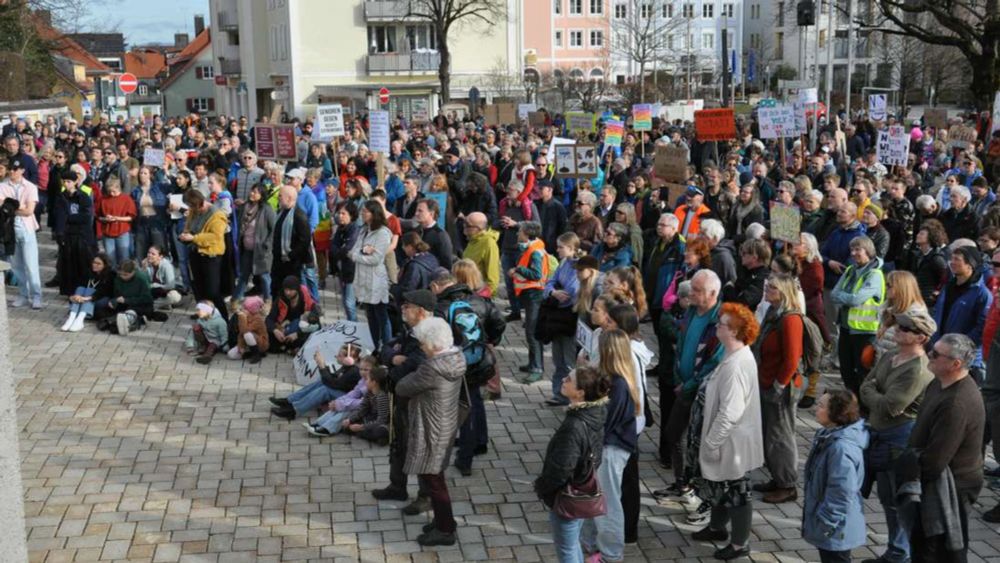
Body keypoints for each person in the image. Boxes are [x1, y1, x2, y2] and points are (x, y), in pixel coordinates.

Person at [685, 302, 763, 561]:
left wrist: (711, 443)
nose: (717, 325)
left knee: (737, 491)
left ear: (734, 332)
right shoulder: (732, 355)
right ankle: (717, 528)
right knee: (718, 485)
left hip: (730, 443)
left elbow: (730, 412)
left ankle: (740, 544)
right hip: (723, 441)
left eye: (722, 324)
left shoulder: (736, 365)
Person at [859, 311, 936, 563]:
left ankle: (901, 554)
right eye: (898, 324)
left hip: (899, 440)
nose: (897, 329)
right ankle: (896, 550)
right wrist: (875, 394)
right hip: (879, 434)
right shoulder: (892, 355)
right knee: (886, 498)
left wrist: (874, 393)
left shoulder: (918, 370)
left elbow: (891, 406)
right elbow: (864, 385)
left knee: (899, 499)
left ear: (921, 337)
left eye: (905, 328)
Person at [906, 334, 985, 562]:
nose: (929, 355)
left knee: (940, 550)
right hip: (937, 479)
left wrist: (910, 471)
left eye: (936, 354)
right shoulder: (939, 382)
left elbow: (936, 461)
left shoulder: (956, 402)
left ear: (956, 364)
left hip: (951, 486)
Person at [653, 270, 724, 517]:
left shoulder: (720, 320)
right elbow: (681, 345)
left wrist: (690, 383)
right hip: (682, 386)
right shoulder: (692, 311)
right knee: (674, 436)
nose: (690, 294)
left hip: (700, 392)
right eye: (691, 289)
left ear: (713, 294)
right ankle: (682, 483)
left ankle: (698, 496)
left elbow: (714, 362)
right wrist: (677, 376)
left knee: (696, 444)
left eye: (697, 290)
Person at [395, 317, 466, 547]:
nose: (421, 348)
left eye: (423, 344)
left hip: (432, 428)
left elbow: (402, 386)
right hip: (444, 423)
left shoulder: (431, 367)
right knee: (436, 477)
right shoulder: (456, 356)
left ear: (434, 345)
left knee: (434, 480)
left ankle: (445, 530)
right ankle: (442, 521)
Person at [534, 365, 609, 563]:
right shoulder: (596, 412)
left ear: (580, 393)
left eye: (568, 379)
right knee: (572, 542)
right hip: (582, 490)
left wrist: (543, 488)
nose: (563, 380)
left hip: (569, 497)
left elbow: (561, 469)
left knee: (566, 548)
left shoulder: (574, 426)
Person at [581, 329, 638, 563]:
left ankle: (611, 555)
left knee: (608, 502)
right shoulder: (615, 379)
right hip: (608, 446)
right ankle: (593, 543)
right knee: (598, 497)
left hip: (611, 449)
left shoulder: (618, 385)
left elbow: (604, 422)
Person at [752, 274, 804, 504]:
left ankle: (788, 484)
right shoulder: (774, 313)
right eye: (767, 285)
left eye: (772, 287)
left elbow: (792, 359)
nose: (767, 290)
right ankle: (777, 476)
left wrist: (778, 385)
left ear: (783, 292)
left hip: (779, 387)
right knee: (770, 434)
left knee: (781, 436)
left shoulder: (790, 320)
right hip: (766, 381)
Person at [802, 390, 869, 563]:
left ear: (837, 413)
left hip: (836, 528)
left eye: (822, 406)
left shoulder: (841, 448)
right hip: (833, 525)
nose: (816, 408)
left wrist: (826, 523)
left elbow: (842, 492)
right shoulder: (829, 436)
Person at [830, 236, 885, 396]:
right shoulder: (850, 270)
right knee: (846, 370)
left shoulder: (874, 274)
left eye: (857, 250)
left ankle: (864, 408)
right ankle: (852, 403)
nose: (853, 253)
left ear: (868, 251)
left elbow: (856, 300)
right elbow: (833, 294)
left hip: (864, 332)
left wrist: (845, 296)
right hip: (846, 328)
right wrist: (849, 296)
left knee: (863, 373)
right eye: (852, 250)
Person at [930, 245, 992, 384]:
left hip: (964, 360)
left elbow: (982, 327)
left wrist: (959, 347)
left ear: (970, 265)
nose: (952, 262)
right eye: (951, 258)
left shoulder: (982, 294)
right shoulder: (948, 287)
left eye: (957, 259)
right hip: (941, 352)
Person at [269, 343, 363, 420]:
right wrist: (323, 365)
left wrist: (322, 366)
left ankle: (293, 410)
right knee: (321, 381)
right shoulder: (347, 367)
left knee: (325, 390)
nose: (336, 356)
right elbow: (333, 378)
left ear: (349, 359)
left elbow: (334, 384)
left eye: (339, 356)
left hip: (349, 399)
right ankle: (289, 400)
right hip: (343, 392)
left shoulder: (354, 371)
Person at [542, 232, 583, 406]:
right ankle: (558, 393)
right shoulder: (563, 262)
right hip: (556, 317)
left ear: (572, 248)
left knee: (568, 360)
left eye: (561, 247)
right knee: (557, 358)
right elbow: (550, 282)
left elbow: (571, 294)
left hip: (569, 319)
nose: (557, 250)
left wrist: (556, 294)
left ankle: (571, 394)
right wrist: (553, 292)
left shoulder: (578, 267)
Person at [509, 221, 550, 382]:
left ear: (527, 234)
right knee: (530, 331)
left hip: (535, 295)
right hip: (530, 295)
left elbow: (536, 274)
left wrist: (518, 269)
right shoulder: (532, 247)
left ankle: (537, 368)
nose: (517, 233)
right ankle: (532, 363)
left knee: (532, 333)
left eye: (520, 231)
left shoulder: (535, 252)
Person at [350, 200, 393, 350]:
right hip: (363, 278)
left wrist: (359, 255)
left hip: (376, 279)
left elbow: (376, 259)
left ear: (374, 214)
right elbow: (353, 250)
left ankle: (387, 347)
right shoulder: (363, 230)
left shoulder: (383, 233)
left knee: (381, 315)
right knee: (370, 315)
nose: (362, 213)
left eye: (366, 211)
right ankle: (375, 346)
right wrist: (363, 252)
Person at [179, 188, 228, 317]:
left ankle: (223, 318)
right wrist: (185, 234)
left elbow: (215, 237)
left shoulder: (217, 215)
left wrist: (194, 238)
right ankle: (203, 312)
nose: (191, 209)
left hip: (211, 256)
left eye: (192, 206)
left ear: (199, 203)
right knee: (198, 287)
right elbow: (188, 225)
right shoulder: (193, 211)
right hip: (195, 253)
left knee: (212, 291)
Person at [304, 356, 378, 437]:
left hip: (369, 413)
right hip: (360, 407)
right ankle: (318, 424)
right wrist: (338, 402)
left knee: (346, 409)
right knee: (339, 406)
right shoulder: (363, 380)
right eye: (360, 369)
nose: (362, 372)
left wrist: (341, 405)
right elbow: (353, 393)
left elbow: (364, 403)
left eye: (366, 370)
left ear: (374, 370)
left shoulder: (374, 383)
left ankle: (328, 429)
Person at [50, 168, 94, 297]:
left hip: (81, 235)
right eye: (64, 181)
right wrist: (59, 233)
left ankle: (82, 291)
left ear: (75, 182)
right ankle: (70, 291)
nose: (66, 184)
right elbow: (57, 216)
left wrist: (68, 217)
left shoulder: (83, 196)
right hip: (66, 235)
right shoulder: (60, 197)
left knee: (82, 264)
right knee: (68, 265)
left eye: (69, 181)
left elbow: (86, 216)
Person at [234, 184, 277, 301]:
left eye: (256, 192)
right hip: (246, 248)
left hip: (261, 250)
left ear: (262, 195)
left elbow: (274, 229)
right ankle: (236, 300)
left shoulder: (267, 209)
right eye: (252, 191)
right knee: (244, 276)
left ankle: (268, 300)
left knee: (264, 276)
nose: (252, 194)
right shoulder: (244, 207)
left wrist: (267, 244)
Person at [270, 185, 312, 302]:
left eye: (280, 196)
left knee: (288, 294)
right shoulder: (282, 211)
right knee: (276, 291)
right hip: (278, 261)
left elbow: (305, 241)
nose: (278, 198)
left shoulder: (299, 215)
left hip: (291, 264)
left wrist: (290, 255)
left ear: (289, 198)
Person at [93, 259, 154, 337]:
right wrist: (113, 301)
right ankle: (123, 321)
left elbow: (147, 299)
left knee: (132, 310)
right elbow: (115, 295)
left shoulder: (141, 278)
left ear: (133, 272)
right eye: (121, 274)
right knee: (100, 312)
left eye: (126, 274)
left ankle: (125, 321)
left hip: (140, 305)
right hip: (123, 304)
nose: (123, 277)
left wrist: (127, 300)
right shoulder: (118, 278)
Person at [266, 275, 321, 355]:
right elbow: (269, 319)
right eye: (286, 289)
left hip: (300, 331)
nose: (287, 293)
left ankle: (293, 347)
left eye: (291, 290)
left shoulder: (306, 300)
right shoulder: (280, 299)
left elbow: (317, 324)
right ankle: (292, 348)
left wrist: (297, 334)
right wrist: (275, 331)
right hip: (284, 330)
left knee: (313, 332)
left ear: (297, 290)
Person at [60, 253, 114, 332]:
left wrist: (87, 298)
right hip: (86, 298)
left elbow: (103, 292)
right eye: (94, 262)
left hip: (102, 299)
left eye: (98, 264)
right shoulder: (88, 272)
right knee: (81, 288)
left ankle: (80, 318)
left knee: (89, 290)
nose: (95, 265)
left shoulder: (110, 275)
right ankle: (72, 318)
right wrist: (75, 296)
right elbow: (79, 284)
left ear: (105, 265)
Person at [329, 202, 360, 321]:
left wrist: (339, 251)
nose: (340, 216)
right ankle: (350, 325)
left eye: (343, 213)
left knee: (349, 303)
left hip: (351, 270)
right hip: (342, 270)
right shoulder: (340, 229)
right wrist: (339, 251)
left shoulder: (354, 229)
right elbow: (333, 246)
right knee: (344, 302)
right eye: (339, 213)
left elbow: (348, 248)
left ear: (351, 215)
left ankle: (354, 328)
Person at [96, 177, 137, 267]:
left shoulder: (126, 199)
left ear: (118, 188)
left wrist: (117, 218)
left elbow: (131, 217)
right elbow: (98, 216)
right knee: (110, 259)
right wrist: (105, 219)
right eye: (109, 191)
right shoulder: (103, 199)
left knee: (124, 257)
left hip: (122, 231)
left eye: (113, 191)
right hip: (108, 232)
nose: (111, 193)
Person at [131, 166, 168, 261]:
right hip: (142, 223)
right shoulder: (135, 191)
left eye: (145, 173)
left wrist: (166, 171)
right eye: (140, 173)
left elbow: (173, 187)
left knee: (159, 253)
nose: (142, 175)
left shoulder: (159, 187)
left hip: (156, 223)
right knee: (141, 254)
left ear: (150, 175)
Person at [461, 211, 501, 297]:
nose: (464, 228)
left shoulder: (488, 243)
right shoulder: (472, 240)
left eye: (468, 225)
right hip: (467, 291)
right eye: (464, 224)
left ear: (478, 228)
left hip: (478, 294)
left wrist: (486, 295)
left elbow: (493, 275)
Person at [225, 295, 268, 364]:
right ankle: (250, 353)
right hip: (246, 342)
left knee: (247, 334)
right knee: (231, 354)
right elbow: (240, 334)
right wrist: (240, 345)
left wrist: (242, 318)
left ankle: (256, 354)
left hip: (260, 343)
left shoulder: (258, 319)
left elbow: (244, 330)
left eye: (245, 308)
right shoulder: (243, 316)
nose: (243, 310)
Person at [142, 245, 182, 310]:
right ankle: (164, 304)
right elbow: (144, 283)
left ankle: (153, 305)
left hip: (170, 290)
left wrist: (155, 285)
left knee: (174, 297)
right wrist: (144, 269)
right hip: (156, 292)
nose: (149, 255)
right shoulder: (147, 264)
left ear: (160, 257)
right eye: (148, 253)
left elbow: (170, 286)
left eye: (153, 254)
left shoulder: (166, 266)